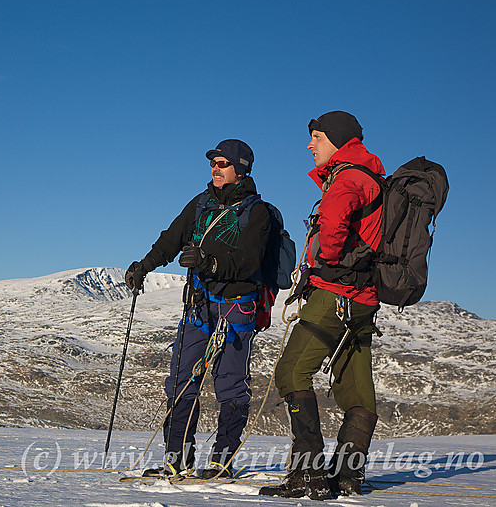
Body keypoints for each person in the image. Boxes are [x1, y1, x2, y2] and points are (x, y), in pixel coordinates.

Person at [125, 139, 270, 478]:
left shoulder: (258, 212)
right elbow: (170, 239)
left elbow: (249, 261)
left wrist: (209, 262)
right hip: (199, 306)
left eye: (223, 163)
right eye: (213, 163)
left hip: (237, 308)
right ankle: (177, 459)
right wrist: (143, 267)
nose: (215, 168)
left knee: (231, 384)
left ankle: (222, 461)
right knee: (180, 381)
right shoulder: (201, 203)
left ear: (241, 167)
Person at [259, 111, 383, 500]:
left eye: (316, 137)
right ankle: (346, 476)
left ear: (338, 140)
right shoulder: (371, 176)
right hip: (363, 300)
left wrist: (326, 260)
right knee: (356, 387)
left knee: (291, 373)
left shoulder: (347, 177)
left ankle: (307, 475)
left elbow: (332, 225)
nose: (310, 145)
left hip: (335, 295)